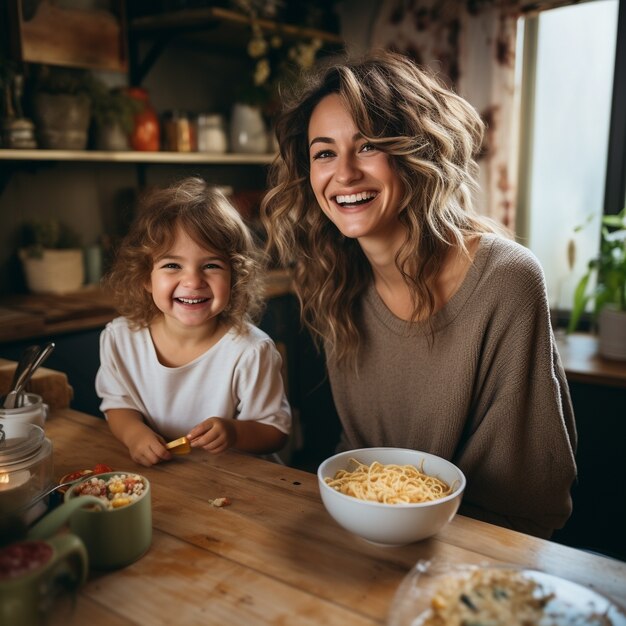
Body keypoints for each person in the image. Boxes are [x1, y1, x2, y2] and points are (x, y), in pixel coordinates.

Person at [261, 50, 576, 538]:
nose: (343, 173)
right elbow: (357, 465)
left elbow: (532, 500)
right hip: (367, 540)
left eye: (366, 146)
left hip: (481, 556)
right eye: (324, 152)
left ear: (415, 152)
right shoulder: (334, 282)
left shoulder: (507, 279)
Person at [96, 177, 291, 466]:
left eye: (211, 265)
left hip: (239, 483)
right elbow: (118, 404)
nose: (193, 281)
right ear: (145, 277)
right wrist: (135, 435)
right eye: (172, 265)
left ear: (234, 278)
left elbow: (275, 432)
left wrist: (234, 432)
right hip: (169, 480)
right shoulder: (120, 338)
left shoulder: (251, 351)